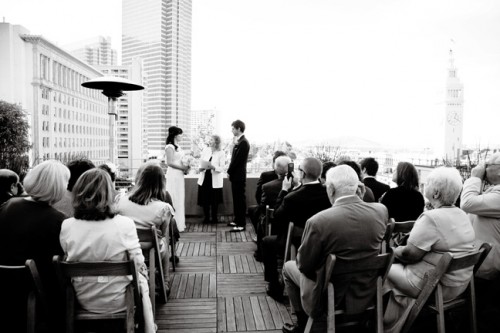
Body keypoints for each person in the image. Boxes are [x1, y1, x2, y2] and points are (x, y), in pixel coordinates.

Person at [281, 165, 387, 333]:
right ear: (358, 187)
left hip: (330, 296)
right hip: (366, 292)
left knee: (288, 267)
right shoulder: (381, 211)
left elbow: (304, 265)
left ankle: (303, 324)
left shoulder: (318, 221)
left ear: (329, 189)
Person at [59, 168, 155, 333]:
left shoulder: (67, 226)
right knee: (142, 278)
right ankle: (148, 327)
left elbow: (68, 255)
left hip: (83, 298)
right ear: (109, 194)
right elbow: (138, 261)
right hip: (120, 298)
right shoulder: (124, 224)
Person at [384, 167, 475, 333]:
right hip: (459, 284)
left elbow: (409, 254)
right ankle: (393, 321)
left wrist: (391, 251)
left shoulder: (431, 218)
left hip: (434, 286)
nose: (424, 186)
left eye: (428, 184)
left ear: (436, 194)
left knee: (382, 269)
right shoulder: (462, 214)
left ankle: (382, 323)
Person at [0, 160, 70, 332]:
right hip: (37, 292)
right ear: (59, 186)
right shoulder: (58, 220)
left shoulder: (7, 206)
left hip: (4, 288)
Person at [263, 157, 331, 301]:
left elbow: (277, 216)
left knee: (266, 242)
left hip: (296, 241)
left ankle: (275, 287)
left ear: (303, 174)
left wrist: (284, 190)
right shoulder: (328, 194)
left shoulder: (292, 197)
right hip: (323, 242)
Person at [116, 163, 175, 259]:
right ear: (161, 182)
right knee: (164, 240)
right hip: (152, 250)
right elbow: (163, 233)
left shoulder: (120, 200)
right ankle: (164, 273)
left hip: (125, 249)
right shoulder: (164, 208)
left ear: (140, 179)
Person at [461, 152, 500, 280]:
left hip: (486, 270)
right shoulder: (495, 192)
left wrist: (475, 178)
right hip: (480, 265)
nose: (483, 167)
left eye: (487, 164)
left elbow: (467, 203)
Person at [254, 155, 292, 260]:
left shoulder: (267, 187)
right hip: (293, 224)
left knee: (261, 217)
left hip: (274, 224)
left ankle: (260, 252)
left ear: (275, 170)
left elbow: (262, 207)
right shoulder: (298, 185)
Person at [227, 120, 250, 232]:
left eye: (233, 128)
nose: (232, 130)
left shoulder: (243, 142)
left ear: (238, 129)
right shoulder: (239, 141)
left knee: (240, 199)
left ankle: (241, 223)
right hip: (236, 176)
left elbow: (237, 161)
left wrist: (229, 171)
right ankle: (237, 220)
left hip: (239, 175)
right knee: (236, 199)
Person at [197, 135, 226, 224]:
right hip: (205, 177)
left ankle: (214, 218)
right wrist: (200, 168)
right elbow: (201, 162)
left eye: (211, 140)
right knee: (205, 199)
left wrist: (214, 167)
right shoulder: (206, 150)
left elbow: (222, 168)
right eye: (209, 140)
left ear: (216, 142)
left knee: (214, 200)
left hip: (214, 178)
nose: (209, 141)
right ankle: (206, 217)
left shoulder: (221, 152)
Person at [165, 126, 188, 232]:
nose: (181, 136)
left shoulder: (178, 146)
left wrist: (186, 167)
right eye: (180, 134)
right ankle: (173, 225)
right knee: (174, 196)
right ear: (175, 135)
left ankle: (179, 223)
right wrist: (182, 167)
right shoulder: (170, 147)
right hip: (173, 174)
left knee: (179, 197)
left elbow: (181, 160)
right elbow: (169, 163)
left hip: (179, 175)